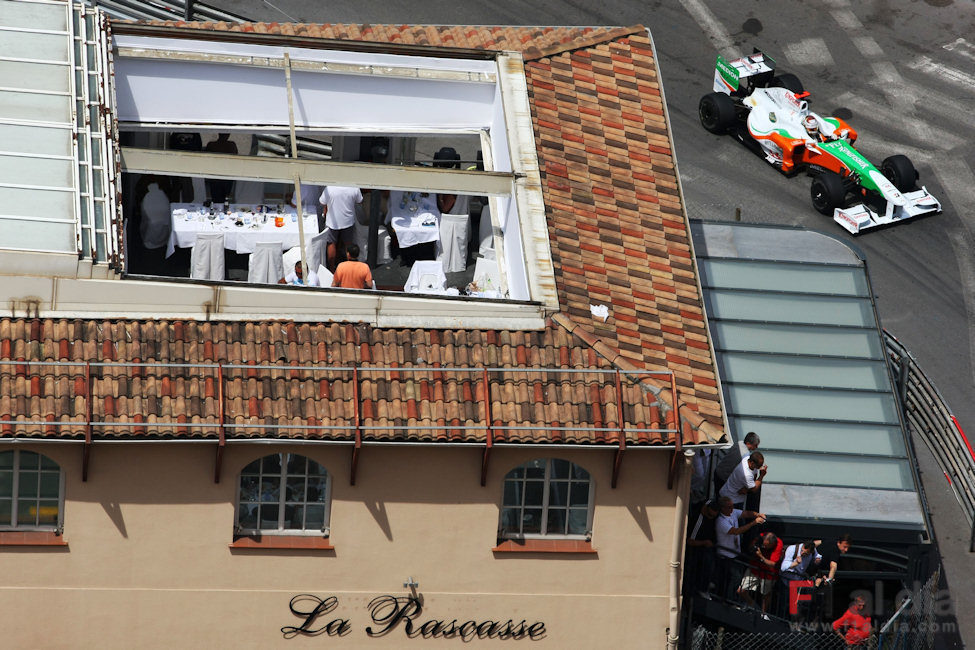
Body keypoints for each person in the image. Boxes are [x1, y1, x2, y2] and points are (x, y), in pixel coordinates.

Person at [714, 496, 766, 601]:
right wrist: (754, 523)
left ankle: (730, 598)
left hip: (735, 553)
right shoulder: (721, 521)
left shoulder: (732, 513)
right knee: (732, 578)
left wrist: (757, 514)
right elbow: (736, 531)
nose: (732, 509)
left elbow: (745, 513)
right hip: (725, 555)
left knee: (735, 578)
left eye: (732, 507)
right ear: (722, 508)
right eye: (729, 507)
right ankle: (728, 599)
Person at [319, 185, 363, 271]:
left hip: (332, 222)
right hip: (348, 222)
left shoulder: (329, 188)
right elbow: (360, 201)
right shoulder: (354, 187)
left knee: (331, 244)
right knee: (348, 244)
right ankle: (349, 267)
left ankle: (331, 269)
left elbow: (322, 202)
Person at [738, 531, 782, 613]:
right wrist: (753, 546)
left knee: (766, 594)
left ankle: (763, 613)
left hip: (768, 573)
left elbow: (772, 564)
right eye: (764, 545)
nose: (764, 547)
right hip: (754, 568)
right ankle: (753, 606)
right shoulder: (760, 537)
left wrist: (761, 556)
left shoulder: (778, 544)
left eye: (767, 546)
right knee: (741, 590)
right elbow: (750, 548)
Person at [779, 540, 822, 621]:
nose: (802, 553)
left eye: (806, 554)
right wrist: (795, 563)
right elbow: (783, 567)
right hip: (786, 581)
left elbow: (818, 556)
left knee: (796, 605)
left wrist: (817, 560)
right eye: (802, 551)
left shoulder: (813, 551)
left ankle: (792, 622)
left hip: (798, 582)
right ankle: (782, 621)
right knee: (784, 603)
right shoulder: (792, 549)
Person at [686, 500, 719, 597]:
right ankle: (701, 588)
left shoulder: (710, 503)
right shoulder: (698, 520)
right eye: (709, 514)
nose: (710, 517)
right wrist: (704, 543)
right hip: (696, 550)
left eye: (713, 516)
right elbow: (690, 541)